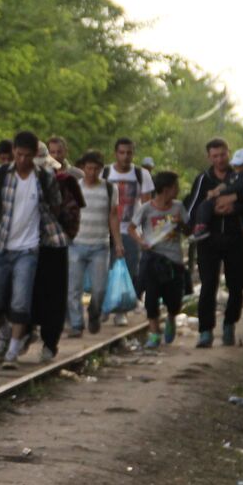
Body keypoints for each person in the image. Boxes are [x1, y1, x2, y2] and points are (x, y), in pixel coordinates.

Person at [0, 131, 69, 369]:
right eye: (18, 154)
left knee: (21, 303)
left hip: (28, 249)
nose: (22, 160)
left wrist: (49, 229)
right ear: (13, 152)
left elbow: (55, 204)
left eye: (27, 156)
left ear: (34, 155)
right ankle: (5, 333)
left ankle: (12, 353)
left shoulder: (44, 177)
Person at [182, 138, 243, 347]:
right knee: (208, 285)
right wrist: (209, 212)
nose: (220, 159)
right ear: (209, 157)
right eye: (215, 156)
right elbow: (193, 207)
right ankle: (205, 331)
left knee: (236, 285)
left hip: (236, 237)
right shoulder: (203, 179)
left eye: (223, 155)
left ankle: (229, 324)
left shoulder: (241, 175)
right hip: (209, 240)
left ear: (228, 154)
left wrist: (235, 204)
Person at [67, 151, 124, 336]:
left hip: (100, 245)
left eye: (96, 169)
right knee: (73, 288)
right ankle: (76, 324)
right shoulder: (75, 187)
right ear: (83, 168)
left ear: (101, 169)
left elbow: (113, 216)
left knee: (99, 289)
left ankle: (94, 312)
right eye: (88, 168)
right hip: (76, 244)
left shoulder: (109, 189)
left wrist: (118, 242)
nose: (91, 172)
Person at [129, 171, 188, 348]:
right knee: (151, 296)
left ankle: (171, 317)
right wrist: (141, 241)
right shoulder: (146, 208)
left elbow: (189, 230)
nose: (177, 190)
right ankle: (154, 332)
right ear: (166, 189)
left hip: (174, 260)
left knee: (174, 298)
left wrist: (181, 224)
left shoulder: (178, 207)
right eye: (175, 187)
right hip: (152, 258)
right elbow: (132, 228)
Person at [28, 146, 76, 361]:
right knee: (25, 292)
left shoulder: (63, 181)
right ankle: (25, 331)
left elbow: (68, 212)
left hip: (52, 243)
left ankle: (49, 342)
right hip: (23, 244)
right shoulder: (9, 179)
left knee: (53, 295)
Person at [104, 137, 153, 324]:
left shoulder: (142, 175)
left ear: (133, 153)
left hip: (131, 230)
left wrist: (145, 233)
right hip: (107, 230)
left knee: (129, 269)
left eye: (129, 153)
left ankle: (121, 310)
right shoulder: (105, 173)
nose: (125, 157)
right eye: (122, 152)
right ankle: (105, 305)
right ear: (115, 153)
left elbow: (147, 205)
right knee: (106, 270)